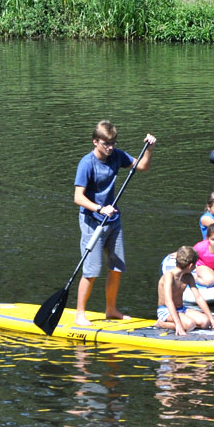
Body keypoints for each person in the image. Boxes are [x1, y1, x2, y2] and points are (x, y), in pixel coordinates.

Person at [72, 120, 155, 327]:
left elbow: (142, 166)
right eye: (106, 144)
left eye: (113, 143)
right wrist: (100, 208)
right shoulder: (86, 163)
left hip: (113, 220)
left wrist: (149, 149)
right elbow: (78, 198)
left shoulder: (117, 155)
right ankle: (79, 314)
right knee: (91, 271)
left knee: (117, 268)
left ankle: (111, 310)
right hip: (92, 221)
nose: (110, 147)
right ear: (95, 141)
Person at [157, 245, 214, 336]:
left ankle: (186, 323)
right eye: (195, 265)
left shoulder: (188, 277)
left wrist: (212, 319)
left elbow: (198, 297)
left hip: (181, 309)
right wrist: (178, 324)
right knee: (190, 324)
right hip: (166, 311)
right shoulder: (169, 276)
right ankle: (162, 324)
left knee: (205, 322)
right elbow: (168, 301)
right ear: (190, 265)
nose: (195, 267)